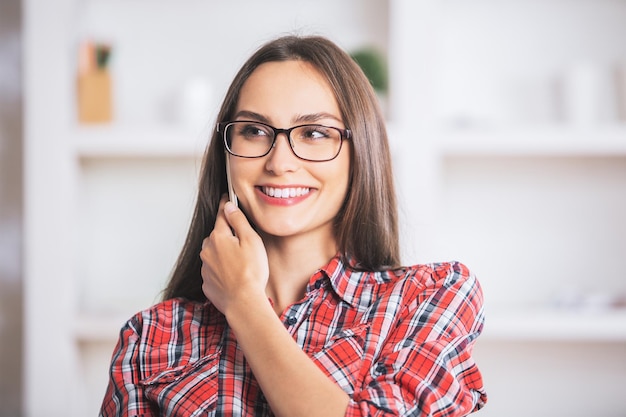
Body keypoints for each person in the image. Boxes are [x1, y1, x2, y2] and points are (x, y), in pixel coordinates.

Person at [99, 35, 487, 417]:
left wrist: (245, 305)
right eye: (253, 130)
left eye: (314, 133)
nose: (279, 162)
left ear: (360, 152)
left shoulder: (429, 299)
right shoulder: (150, 337)